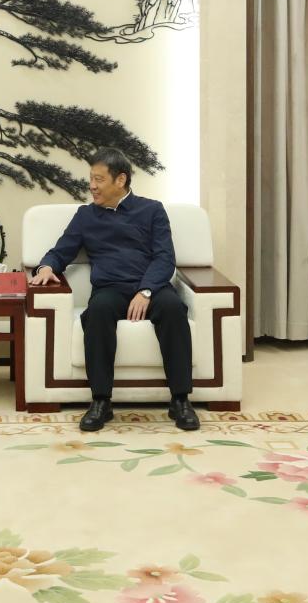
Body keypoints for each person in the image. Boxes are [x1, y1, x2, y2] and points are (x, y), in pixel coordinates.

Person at [30, 148, 196, 433]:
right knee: (98, 311)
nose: (92, 186)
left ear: (121, 180)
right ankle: (101, 401)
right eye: (91, 179)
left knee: (172, 309)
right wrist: (46, 267)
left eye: (99, 179)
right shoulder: (86, 215)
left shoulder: (152, 210)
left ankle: (180, 400)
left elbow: (164, 258)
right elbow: (61, 251)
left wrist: (145, 291)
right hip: (110, 288)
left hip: (151, 287)